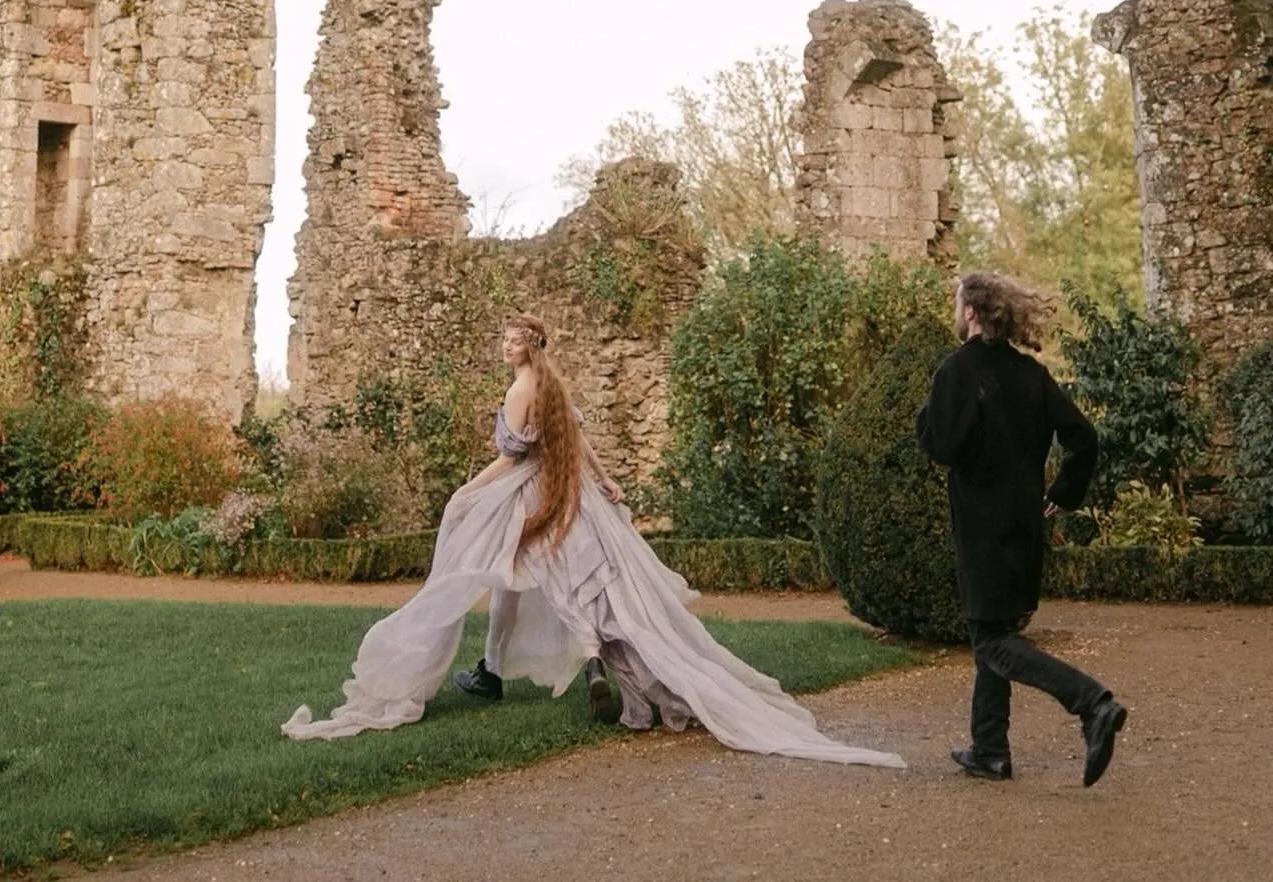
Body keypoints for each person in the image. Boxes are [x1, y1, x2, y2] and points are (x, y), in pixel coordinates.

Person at [284, 312, 903, 768]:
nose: (504, 346)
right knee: (552, 584)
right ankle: (517, 668)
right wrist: (607, 484)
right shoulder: (552, 383)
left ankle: (548, 663)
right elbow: (579, 443)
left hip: (529, 495)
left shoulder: (520, 389)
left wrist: (464, 491)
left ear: (528, 347)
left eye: (510, 340)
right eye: (502, 338)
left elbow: (510, 459)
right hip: (571, 493)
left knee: (511, 575)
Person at [916, 272, 1128, 786]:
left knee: (992, 642)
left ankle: (1092, 703)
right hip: (1024, 528)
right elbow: (1084, 437)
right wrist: (1061, 494)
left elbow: (940, 446)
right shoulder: (1032, 374)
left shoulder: (958, 371)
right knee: (994, 631)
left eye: (956, 302)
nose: (955, 309)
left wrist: (928, 414)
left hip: (983, 527)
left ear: (971, 312)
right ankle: (990, 749)